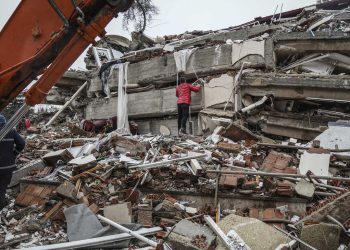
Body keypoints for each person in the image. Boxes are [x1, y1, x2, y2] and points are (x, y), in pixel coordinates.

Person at [0, 115, 25, 210]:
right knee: (2, 187)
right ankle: (2, 206)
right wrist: (14, 154)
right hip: (8, 166)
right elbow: (21, 143)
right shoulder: (11, 131)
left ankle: (1, 207)